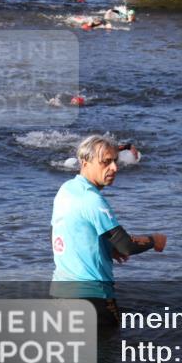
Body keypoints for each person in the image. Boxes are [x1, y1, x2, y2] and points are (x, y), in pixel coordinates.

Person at [50, 135, 166, 326]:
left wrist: (107, 248)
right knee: (109, 353)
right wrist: (154, 240)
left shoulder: (66, 189)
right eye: (106, 162)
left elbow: (59, 232)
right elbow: (127, 245)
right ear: (84, 162)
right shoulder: (93, 200)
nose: (114, 168)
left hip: (60, 295)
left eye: (115, 161)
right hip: (93, 298)